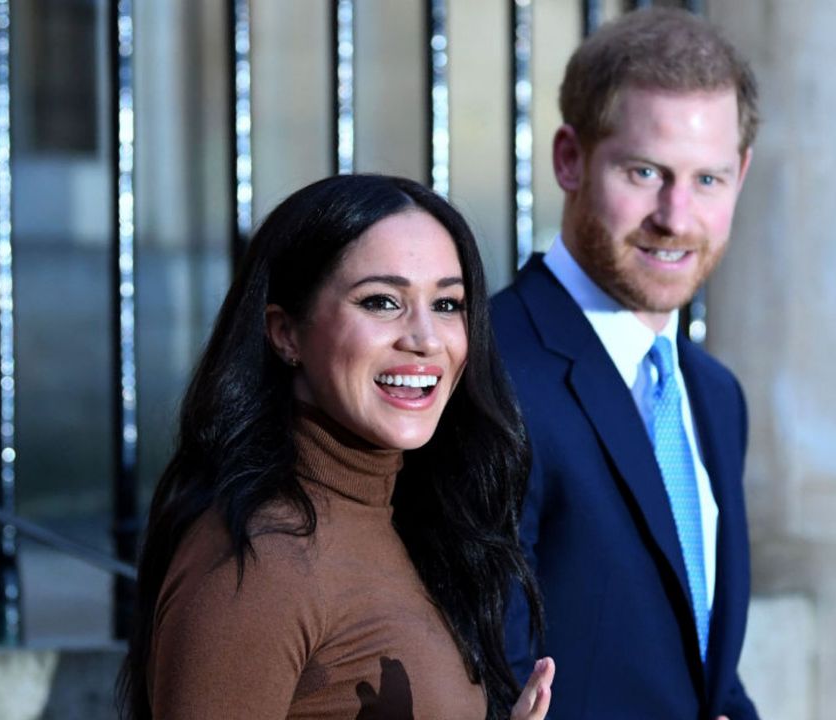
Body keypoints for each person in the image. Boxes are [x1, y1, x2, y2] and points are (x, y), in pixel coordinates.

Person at [118, 174, 554, 719]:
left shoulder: (406, 521)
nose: (424, 338)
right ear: (285, 333)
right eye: (381, 301)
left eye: (447, 304)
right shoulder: (260, 561)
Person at [492, 8, 760, 719]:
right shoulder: (488, 370)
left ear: (743, 174)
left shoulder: (715, 396)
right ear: (569, 159)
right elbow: (489, 678)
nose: (676, 216)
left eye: (709, 179)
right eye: (645, 172)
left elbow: (704, 673)